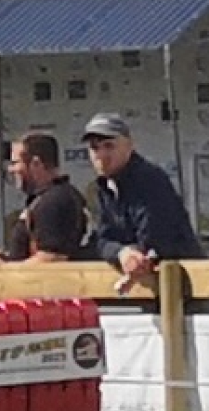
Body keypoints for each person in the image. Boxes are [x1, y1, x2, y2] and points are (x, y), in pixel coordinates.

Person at [81, 111, 204, 288]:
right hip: (145, 290)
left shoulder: (149, 180)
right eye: (94, 148)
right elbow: (101, 241)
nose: (101, 155)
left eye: (109, 146)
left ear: (129, 146)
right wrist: (121, 253)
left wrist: (134, 256)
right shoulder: (101, 188)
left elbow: (156, 242)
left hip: (187, 287)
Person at [0, 131, 92, 263]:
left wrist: (8, 271)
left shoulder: (54, 202)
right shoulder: (52, 197)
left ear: (36, 164)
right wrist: (6, 259)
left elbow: (51, 259)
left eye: (15, 162)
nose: (11, 169)